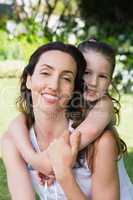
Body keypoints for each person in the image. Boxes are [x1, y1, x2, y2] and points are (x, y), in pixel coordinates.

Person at [1, 40, 132, 199]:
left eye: (66, 78)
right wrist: (36, 159)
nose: (92, 82)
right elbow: (18, 122)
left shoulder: (102, 125)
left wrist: (59, 170)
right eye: (87, 73)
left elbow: (90, 129)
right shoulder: (18, 137)